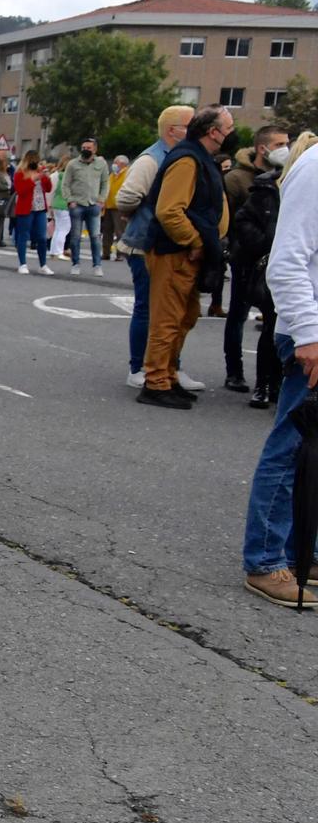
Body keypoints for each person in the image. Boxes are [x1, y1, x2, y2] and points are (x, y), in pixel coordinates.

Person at [241, 131, 318, 605]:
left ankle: (303, 552)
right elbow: (287, 261)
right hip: (310, 331)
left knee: (313, 449)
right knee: (291, 448)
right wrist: (309, 333)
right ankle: (267, 561)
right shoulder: (315, 171)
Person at [137, 105, 233, 410]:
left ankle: (169, 374)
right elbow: (168, 210)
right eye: (228, 127)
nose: (232, 133)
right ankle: (155, 382)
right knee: (167, 319)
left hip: (190, 252)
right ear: (212, 132)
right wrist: (194, 240)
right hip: (174, 252)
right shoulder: (187, 159)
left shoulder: (199, 158)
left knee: (185, 316)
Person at [117, 105, 200, 391]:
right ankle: (138, 367)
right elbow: (126, 196)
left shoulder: (182, 156)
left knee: (172, 312)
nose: (195, 129)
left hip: (167, 245)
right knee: (147, 308)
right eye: (190, 124)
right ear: (172, 130)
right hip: (145, 245)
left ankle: (169, 367)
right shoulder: (151, 159)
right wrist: (138, 212)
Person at [223, 124, 290, 390]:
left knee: (272, 319)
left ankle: (270, 380)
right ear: (263, 148)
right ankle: (234, 371)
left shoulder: (285, 176)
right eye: (279, 144)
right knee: (238, 314)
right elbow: (232, 217)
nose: (285, 149)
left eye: (287, 143)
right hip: (246, 257)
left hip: (272, 260)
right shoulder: (238, 178)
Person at [62, 138, 108, 275]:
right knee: (75, 236)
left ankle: (97, 265)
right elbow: (65, 184)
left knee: (95, 236)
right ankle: (75, 263)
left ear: (95, 149)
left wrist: (101, 199)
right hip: (77, 204)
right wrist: (70, 200)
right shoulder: (73, 164)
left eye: (89, 148)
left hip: (93, 204)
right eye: (84, 147)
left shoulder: (101, 164)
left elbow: (105, 183)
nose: (86, 150)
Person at [10, 150, 54, 274]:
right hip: (26, 208)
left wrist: (46, 178)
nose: (37, 164)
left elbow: (48, 189)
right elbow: (21, 191)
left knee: (42, 237)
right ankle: (22, 264)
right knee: (23, 235)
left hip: (40, 208)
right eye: (34, 161)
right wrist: (33, 179)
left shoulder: (40, 173)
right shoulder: (20, 173)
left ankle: (43, 264)